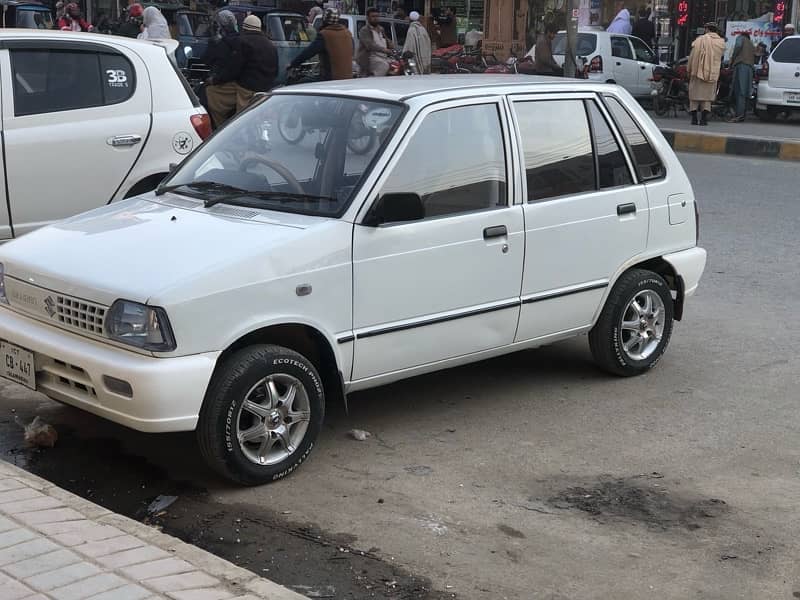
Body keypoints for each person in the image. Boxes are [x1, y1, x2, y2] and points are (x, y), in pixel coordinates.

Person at [203, 10, 243, 129]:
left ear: (220, 25)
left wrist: (214, 80)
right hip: (240, 82)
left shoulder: (221, 42)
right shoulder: (241, 39)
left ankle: (219, 127)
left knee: (206, 94)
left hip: (225, 83)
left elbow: (207, 60)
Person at [288, 8, 353, 81]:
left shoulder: (325, 34)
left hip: (329, 78)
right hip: (348, 78)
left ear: (324, 19)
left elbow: (308, 52)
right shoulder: (348, 33)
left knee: (300, 83)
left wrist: (292, 64)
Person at [686, 22, 726, 126]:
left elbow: (692, 56)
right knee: (707, 98)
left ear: (707, 29)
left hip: (697, 72)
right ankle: (703, 119)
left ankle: (694, 119)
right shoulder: (721, 43)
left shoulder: (699, 41)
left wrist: (689, 69)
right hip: (712, 74)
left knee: (694, 97)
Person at [236, 15, 279, 109]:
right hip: (266, 88)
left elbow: (236, 67)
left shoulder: (242, 41)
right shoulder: (271, 45)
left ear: (244, 28)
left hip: (247, 88)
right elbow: (276, 71)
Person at [727, 31, 755, 123]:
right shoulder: (751, 43)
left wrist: (733, 58)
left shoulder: (741, 38)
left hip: (741, 66)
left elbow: (738, 46)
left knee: (739, 91)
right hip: (749, 68)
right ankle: (742, 115)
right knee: (746, 92)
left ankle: (738, 115)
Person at [358, 7, 393, 77]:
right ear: (368, 18)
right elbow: (370, 45)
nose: (375, 18)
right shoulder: (364, 30)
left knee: (395, 65)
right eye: (373, 16)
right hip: (371, 57)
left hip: (383, 57)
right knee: (384, 66)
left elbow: (387, 41)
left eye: (377, 16)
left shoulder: (381, 29)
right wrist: (384, 50)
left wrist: (390, 45)